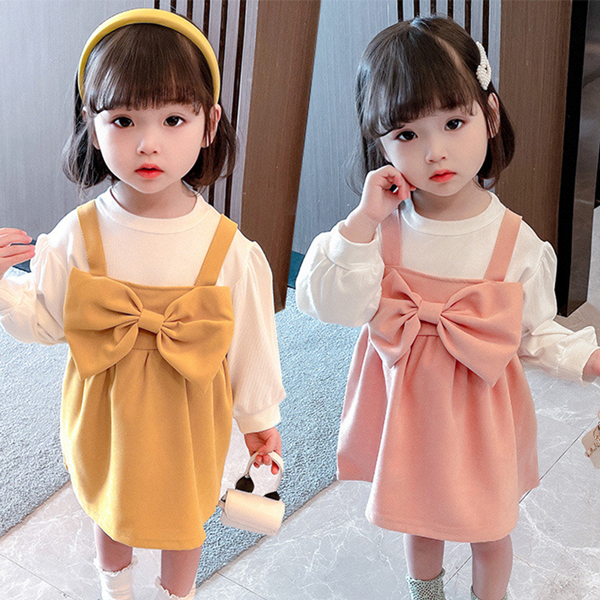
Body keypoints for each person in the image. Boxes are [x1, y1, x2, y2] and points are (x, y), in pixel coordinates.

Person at [296, 15, 600, 600]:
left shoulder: (516, 243)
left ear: (490, 115)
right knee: (420, 519)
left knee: (490, 529)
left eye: (454, 123)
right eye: (406, 135)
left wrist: (585, 359)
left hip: (480, 416)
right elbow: (326, 303)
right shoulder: (378, 232)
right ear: (380, 145)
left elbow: (532, 332)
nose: (435, 152)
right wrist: (362, 221)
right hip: (408, 415)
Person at [0, 9, 284, 600]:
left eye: (173, 119)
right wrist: (4, 285)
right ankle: (117, 590)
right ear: (92, 125)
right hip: (107, 415)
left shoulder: (230, 248)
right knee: (112, 505)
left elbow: (251, 344)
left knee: (188, 516)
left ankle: (178, 594)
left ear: (209, 125)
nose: (147, 143)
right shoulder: (77, 235)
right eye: (124, 120)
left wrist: (261, 425)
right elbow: (46, 322)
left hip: (190, 415)